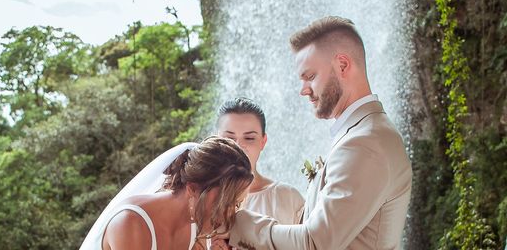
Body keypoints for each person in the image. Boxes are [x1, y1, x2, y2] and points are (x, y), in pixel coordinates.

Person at [225, 16, 412, 250]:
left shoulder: (365, 143)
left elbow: (316, 242)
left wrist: (239, 223)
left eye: (310, 77)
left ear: (343, 65)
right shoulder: (363, 134)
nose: (303, 90)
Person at [86, 136, 253, 250]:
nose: (230, 213)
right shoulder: (130, 223)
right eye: (224, 202)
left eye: (235, 204)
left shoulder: (198, 225)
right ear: (192, 188)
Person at [216, 97, 304, 224]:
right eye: (229, 138)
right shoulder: (201, 198)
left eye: (249, 138)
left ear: (263, 142)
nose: (238, 145)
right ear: (216, 140)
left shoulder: (287, 198)